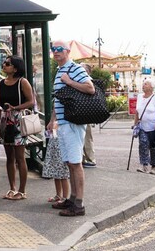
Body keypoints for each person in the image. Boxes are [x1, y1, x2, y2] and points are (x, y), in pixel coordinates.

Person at [48, 39, 94, 217]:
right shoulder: (60, 70)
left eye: (59, 49)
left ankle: (79, 204)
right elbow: (57, 98)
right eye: (53, 49)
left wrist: (69, 82)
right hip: (64, 122)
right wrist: (53, 118)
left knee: (76, 163)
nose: (56, 52)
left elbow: (90, 88)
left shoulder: (74, 69)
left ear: (68, 51)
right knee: (69, 163)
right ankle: (73, 198)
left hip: (74, 122)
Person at [0, 55, 34, 201]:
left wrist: (15, 108)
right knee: (9, 156)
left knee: (19, 156)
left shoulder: (22, 82)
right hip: (6, 120)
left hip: (18, 120)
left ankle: (22, 190)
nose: (4, 65)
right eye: (4, 62)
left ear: (15, 68)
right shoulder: (1, 83)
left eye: (8, 64)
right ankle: (12, 188)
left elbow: (31, 101)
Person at [133, 79, 155, 174]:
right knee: (143, 145)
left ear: (151, 87)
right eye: (143, 84)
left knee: (154, 147)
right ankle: (144, 165)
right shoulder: (139, 96)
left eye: (146, 84)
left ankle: (154, 166)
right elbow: (137, 112)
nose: (143, 85)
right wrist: (135, 124)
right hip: (143, 126)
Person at [43, 105, 71, 207]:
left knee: (62, 171)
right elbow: (55, 109)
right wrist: (52, 121)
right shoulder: (57, 101)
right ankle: (58, 195)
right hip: (55, 141)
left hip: (61, 140)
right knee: (56, 170)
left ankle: (65, 197)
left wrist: (55, 123)